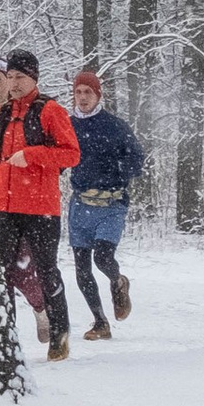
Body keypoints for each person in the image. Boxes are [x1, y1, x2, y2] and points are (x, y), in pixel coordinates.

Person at [0, 48, 80, 361]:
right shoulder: (2, 112)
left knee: (45, 269)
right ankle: (7, 338)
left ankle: (60, 335)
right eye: (11, 76)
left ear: (33, 78)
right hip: (3, 204)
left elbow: (71, 154)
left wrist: (34, 155)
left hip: (40, 205)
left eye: (20, 77)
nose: (14, 83)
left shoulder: (50, 110)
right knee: (0, 273)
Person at [64, 64, 143, 337]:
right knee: (81, 267)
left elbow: (136, 160)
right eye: (78, 92)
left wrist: (117, 168)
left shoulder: (115, 126)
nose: (83, 97)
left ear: (98, 95)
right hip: (80, 204)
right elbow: (59, 157)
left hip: (111, 204)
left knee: (103, 256)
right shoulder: (67, 125)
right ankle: (100, 322)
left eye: (88, 92)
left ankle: (118, 281)